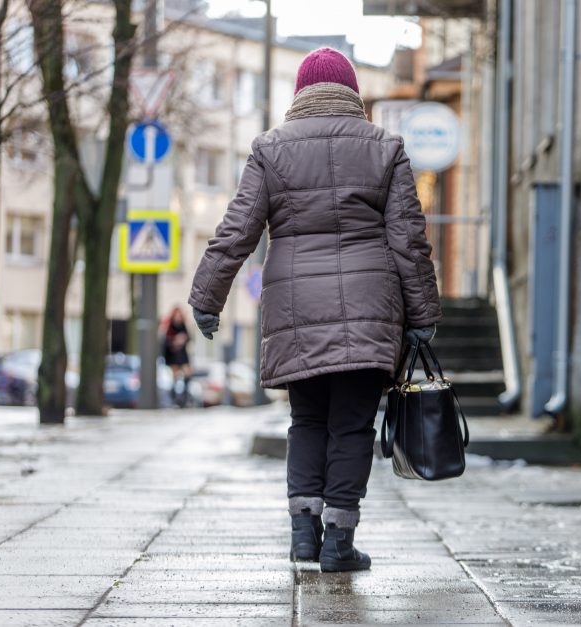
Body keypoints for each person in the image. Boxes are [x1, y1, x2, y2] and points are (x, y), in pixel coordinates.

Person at [188, 47, 442, 573]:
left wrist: (206, 298)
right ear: (352, 92)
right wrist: (421, 314)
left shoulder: (270, 149)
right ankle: (338, 543)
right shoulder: (384, 146)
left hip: (295, 310)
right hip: (372, 308)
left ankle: (303, 535)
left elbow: (238, 230)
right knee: (351, 426)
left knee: (306, 421)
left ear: (299, 92)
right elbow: (409, 240)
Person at [162, 305, 192, 407]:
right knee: (175, 378)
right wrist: (175, 340)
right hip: (173, 355)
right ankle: (174, 398)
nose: (178, 317)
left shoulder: (183, 325)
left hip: (182, 354)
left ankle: (184, 397)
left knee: (187, 374)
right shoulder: (170, 326)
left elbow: (189, 338)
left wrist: (184, 339)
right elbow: (165, 341)